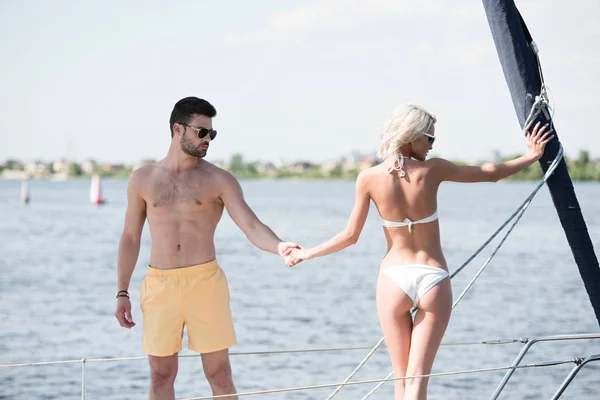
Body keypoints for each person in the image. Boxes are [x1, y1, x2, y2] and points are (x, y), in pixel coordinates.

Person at [290, 104, 553, 400]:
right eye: (429, 138)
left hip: (392, 280)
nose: (431, 146)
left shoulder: (368, 178)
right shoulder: (434, 170)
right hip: (432, 278)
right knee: (417, 384)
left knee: (401, 383)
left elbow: (350, 236)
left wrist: (307, 253)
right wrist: (531, 156)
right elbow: (489, 174)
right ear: (412, 135)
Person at [114, 96, 299, 400]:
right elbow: (130, 237)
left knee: (219, 375)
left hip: (205, 283)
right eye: (202, 132)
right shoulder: (142, 179)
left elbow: (251, 226)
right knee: (161, 377)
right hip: (160, 285)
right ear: (178, 129)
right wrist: (122, 292)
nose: (208, 140)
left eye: (212, 134)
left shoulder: (219, 179)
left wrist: (280, 247)